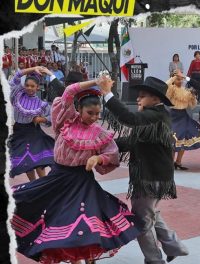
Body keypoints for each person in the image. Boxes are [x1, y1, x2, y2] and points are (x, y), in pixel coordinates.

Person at [11, 75, 143, 264]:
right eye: (90, 113)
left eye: (98, 114)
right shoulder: (64, 122)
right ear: (79, 109)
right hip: (58, 179)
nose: (95, 118)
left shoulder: (99, 132)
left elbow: (112, 153)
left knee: (86, 223)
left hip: (83, 183)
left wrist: (98, 157)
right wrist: (96, 82)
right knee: (53, 218)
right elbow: (68, 92)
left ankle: (88, 260)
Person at [101, 75, 188, 264]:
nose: (138, 99)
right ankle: (174, 246)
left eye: (142, 96)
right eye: (138, 96)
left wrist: (107, 93)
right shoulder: (155, 116)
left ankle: (154, 260)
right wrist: (102, 145)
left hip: (151, 177)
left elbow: (128, 118)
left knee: (142, 220)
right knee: (150, 212)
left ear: (155, 99)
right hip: (155, 176)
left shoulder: (154, 115)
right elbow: (133, 141)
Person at [8, 66, 55, 181]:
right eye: (27, 85)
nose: (29, 88)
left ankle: (43, 185)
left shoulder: (40, 103)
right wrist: (34, 68)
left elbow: (52, 117)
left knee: (38, 161)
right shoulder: (16, 95)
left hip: (33, 132)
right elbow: (17, 76)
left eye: (32, 86)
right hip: (19, 131)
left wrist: (42, 119)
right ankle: (33, 185)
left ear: (37, 87)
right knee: (27, 163)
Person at [166, 70, 200, 170]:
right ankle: (169, 162)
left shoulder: (185, 90)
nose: (181, 81)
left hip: (183, 115)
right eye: (178, 79)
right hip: (173, 116)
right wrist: (174, 77)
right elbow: (166, 86)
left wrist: (193, 96)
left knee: (184, 139)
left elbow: (192, 106)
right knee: (174, 139)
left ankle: (178, 162)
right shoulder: (171, 88)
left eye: (181, 79)